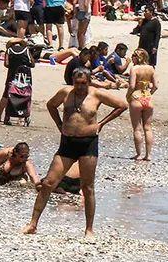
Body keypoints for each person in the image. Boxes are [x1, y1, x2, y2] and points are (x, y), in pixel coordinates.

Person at [23, 67, 128, 237]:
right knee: (49, 183)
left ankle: (89, 229)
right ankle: (33, 224)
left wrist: (101, 124)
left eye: (83, 83)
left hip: (88, 144)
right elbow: (51, 105)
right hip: (67, 143)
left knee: (87, 187)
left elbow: (122, 105)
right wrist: (59, 124)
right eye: (76, 83)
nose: (79, 87)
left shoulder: (97, 94)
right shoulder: (66, 93)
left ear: (89, 81)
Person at [120, 48, 157, 162]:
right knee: (148, 128)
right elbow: (155, 85)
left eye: (134, 56)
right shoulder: (151, 68)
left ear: (138, 57)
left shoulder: (135, 69)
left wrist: (128, 96)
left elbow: (131, 85)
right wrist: (150, 93)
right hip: (147, 97)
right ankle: (149, 155)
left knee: (137, 128)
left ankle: (139, 154)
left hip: (136, 97)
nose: (132, 59)